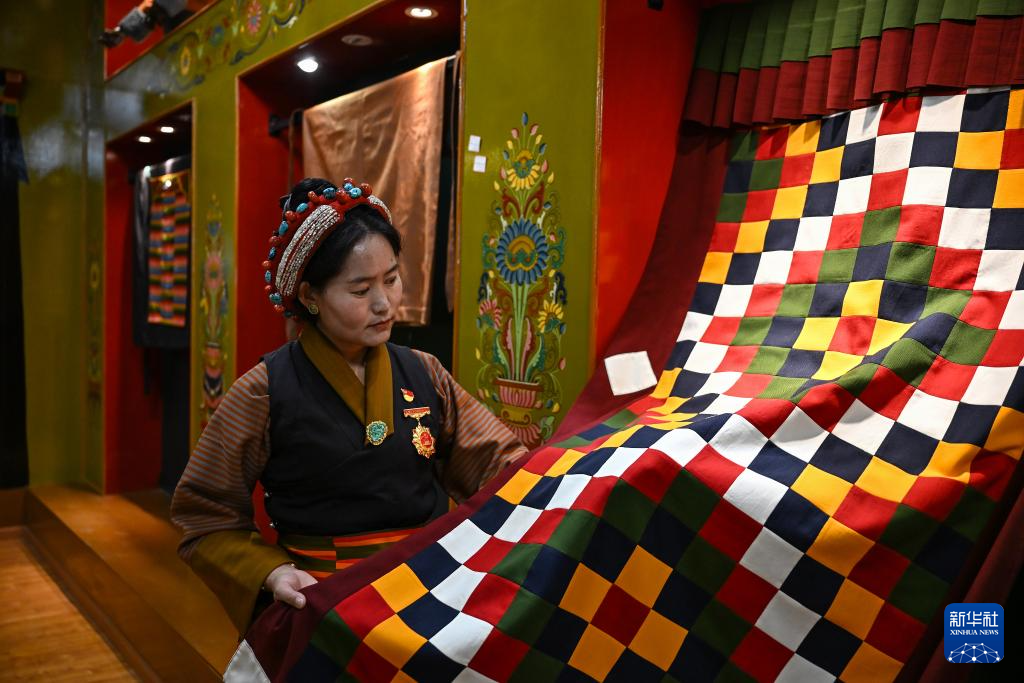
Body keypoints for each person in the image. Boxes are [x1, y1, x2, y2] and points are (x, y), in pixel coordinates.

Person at [171, 177, 526, 634]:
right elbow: (205, 514)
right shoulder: (263, 391)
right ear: (310, 297)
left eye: (391, 280)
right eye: (360, 291)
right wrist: (272, 572)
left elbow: (502, 467)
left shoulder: (426, 373)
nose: (384, 304)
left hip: (428, 595)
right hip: (321, 604)